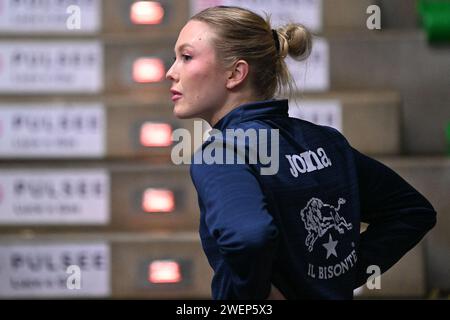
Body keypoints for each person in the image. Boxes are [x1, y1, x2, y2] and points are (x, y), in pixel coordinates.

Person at [165, 6, 437, 300]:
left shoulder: (222, 153)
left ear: (235, 73)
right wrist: (341, 274)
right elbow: (412, 211)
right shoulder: (326, 140)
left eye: (186, 56)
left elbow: (249, 236)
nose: (171, 72)